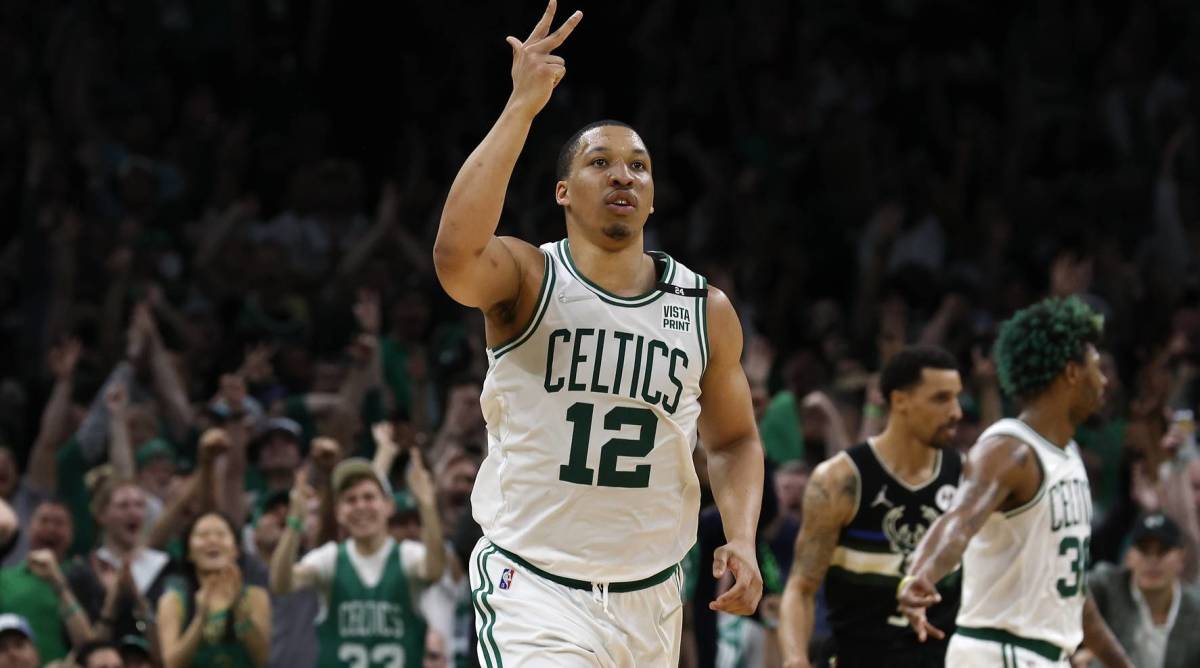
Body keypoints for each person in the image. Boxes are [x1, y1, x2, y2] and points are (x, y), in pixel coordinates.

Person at [433, 1, 765, 664]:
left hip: (651, 599)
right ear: (562, 191)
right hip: (533, 587)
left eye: (638, 166)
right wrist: (521, 107)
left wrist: (743, 537)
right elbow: (454, 256)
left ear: (653, 196)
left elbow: (732, 440)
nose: (622, 174)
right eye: (600, 162)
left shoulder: (704, 309)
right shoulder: (528, 278)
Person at [897, 297, 1132, 666]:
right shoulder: (1009, 449)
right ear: (1072, 372)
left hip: (1040, 655)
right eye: (1097, 368)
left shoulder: (1068, 456)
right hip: (999, 651)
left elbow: (1071, 597)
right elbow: (958, 521)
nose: (1104, 381)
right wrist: (920, 576)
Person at [778, 345, 965, 667]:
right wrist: (795, 659)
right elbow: (801, 588)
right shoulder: (840, 479)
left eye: (956, 397)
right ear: (899, 401)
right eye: (941, 398)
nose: (956, 412)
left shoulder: (966, 476)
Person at [269, 455, 444, 666]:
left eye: (369, 497)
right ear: (338, 513)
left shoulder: (407, 556)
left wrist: (427, 506)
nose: (360, 506)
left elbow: (435, 570)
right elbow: (281, 584)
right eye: (350, 500)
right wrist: (294, 522)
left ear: (389, 505)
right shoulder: (330, 559)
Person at [157, 512, 271, 668]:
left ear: (236, 549)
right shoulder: (173, 601)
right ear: (189, 552)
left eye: (221, 534)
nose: (212, 540)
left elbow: (263, 659)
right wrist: (200, 617)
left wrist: (238, 608)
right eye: (202, 535)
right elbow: (171, 664)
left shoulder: (255, 596)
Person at [1087, 513, 1200, 668]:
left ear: (1181, 557)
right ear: (1129, 556)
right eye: (1143, 550)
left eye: (1163, 551)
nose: (1152, 560)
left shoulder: (1196, 609)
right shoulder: (1106, 585)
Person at [0, 500, 91, 663]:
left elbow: (88, 646)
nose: (51, 529)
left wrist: (57, 581)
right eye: (44, 520)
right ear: (29, 528)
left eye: (59, 523)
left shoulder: (83, 576)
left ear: (72, 534)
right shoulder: (5, 578)